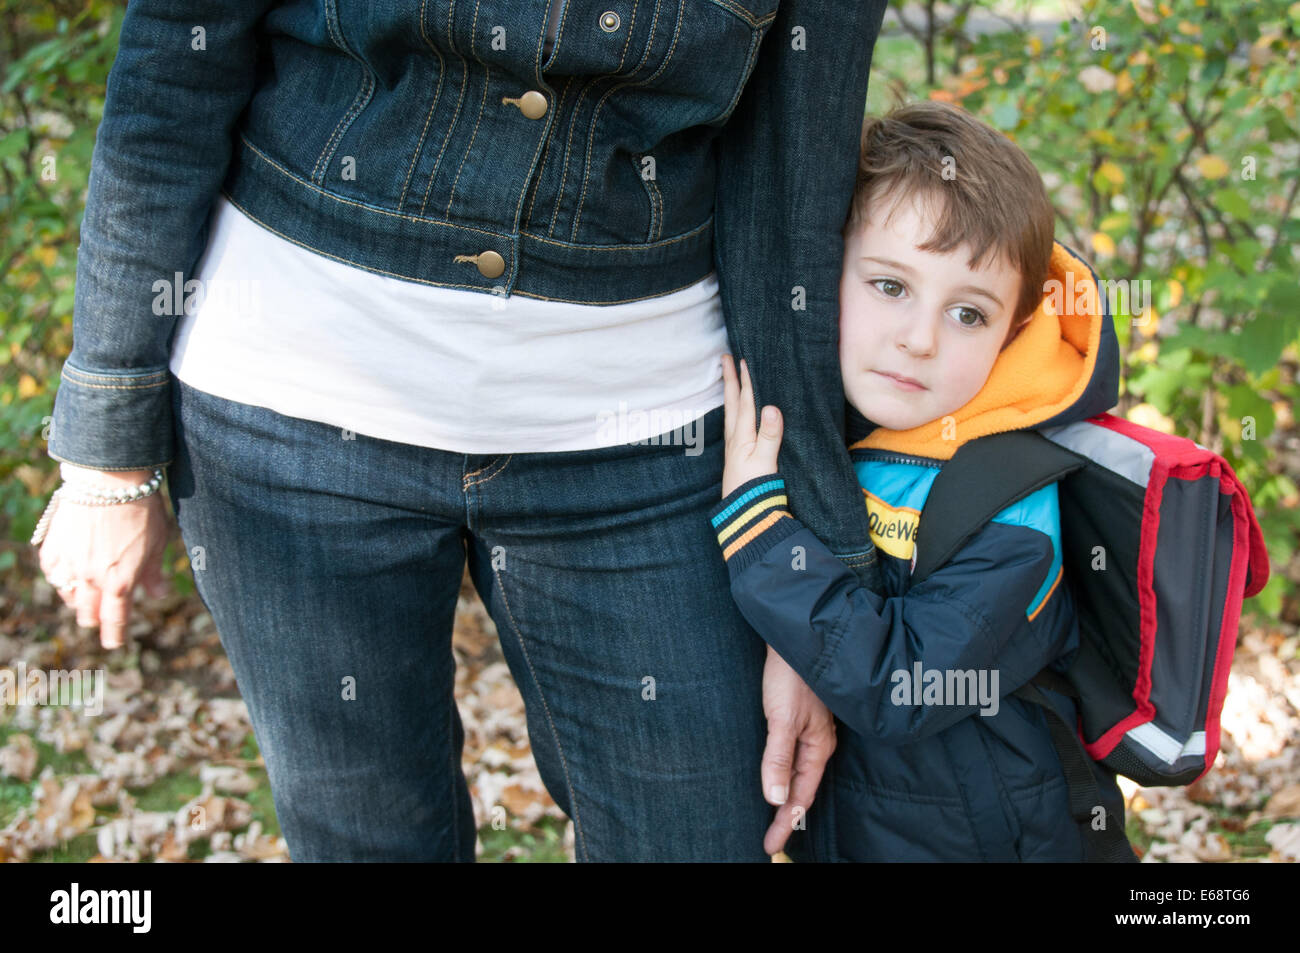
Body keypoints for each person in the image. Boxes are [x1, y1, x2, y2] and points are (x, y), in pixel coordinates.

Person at [32, 1, 890, 861]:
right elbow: (172, 75)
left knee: (699, 836)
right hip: (289, 415)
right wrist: (109, 440)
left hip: (648, 434)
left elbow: (794, 197)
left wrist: (816, 595)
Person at [710, 100, 1128, 860]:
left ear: (1014, 331)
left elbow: (903, 685)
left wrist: (758, 532)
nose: (920, 338)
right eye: (891, 286)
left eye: (969, 313)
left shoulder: (1013, 509)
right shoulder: (836, 435)